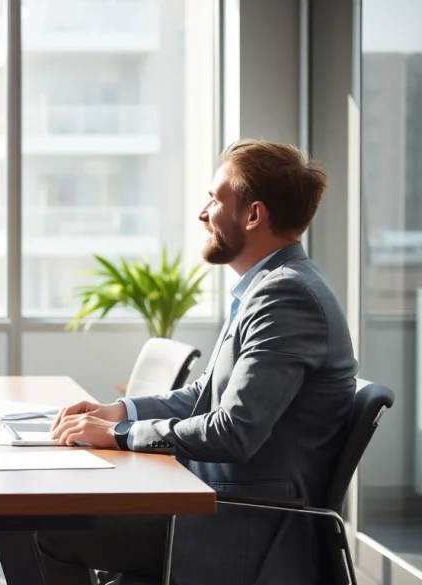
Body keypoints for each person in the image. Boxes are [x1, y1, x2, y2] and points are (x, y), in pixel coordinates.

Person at [36, 140, 358, 585]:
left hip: (241, 526)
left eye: (214, 199)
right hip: (211, 504)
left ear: (253, 215)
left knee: (51, 526)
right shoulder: (268, 287)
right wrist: (119, 411)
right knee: (57, 514)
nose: (203, 213)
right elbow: (201, 396)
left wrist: (120, 435)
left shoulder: (286, 296)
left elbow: (233, 430)